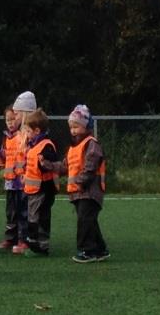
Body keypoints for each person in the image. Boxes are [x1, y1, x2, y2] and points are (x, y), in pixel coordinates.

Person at [41, 105, 109, 263]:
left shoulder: (91, 144)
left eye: (76, 126)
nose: (73, 130)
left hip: (90, 192)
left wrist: (80, 181)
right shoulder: (74, 148)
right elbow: (65, 166)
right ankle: (100, 249)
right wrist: (48, 165)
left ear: (85, 126)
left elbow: (90, 167)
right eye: (71, 127)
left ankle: (87, 250)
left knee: (85, 221)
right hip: (79, 192)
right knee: (89, 220)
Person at [22, 108, 58, 256]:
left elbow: (51, 161)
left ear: (37, 131)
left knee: (40, 217)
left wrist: (44, 161)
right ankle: (34, 243)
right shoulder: (34, 145)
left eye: (28, 131)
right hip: (33, 189)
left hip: (43, 189)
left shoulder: (46, 145)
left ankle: (39, 245)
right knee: (34, 216)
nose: (27, 135)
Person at [0, 105, 29, 254]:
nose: (10, 122)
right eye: (7, 120)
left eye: (13, 118)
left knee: (22, 211)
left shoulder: (23, 136)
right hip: (10, 182)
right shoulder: (6, 138)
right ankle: (11, 238)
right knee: (11, 211)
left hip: (21, 181)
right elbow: (3, 154)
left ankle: (22, 239)